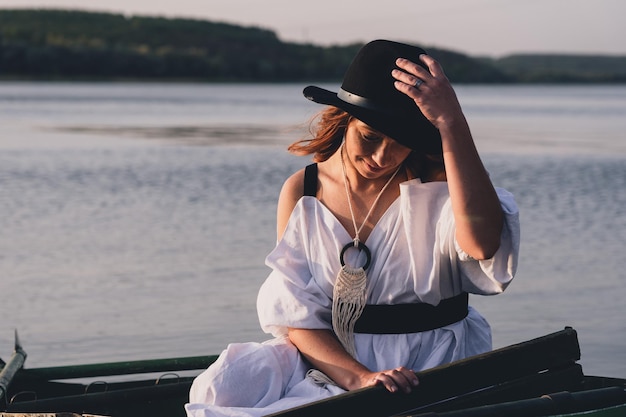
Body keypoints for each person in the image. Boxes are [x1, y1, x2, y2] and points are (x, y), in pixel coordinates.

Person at [185, 39, 520, 417]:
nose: (381, 157)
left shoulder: (440, 185)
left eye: (400, 144)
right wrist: (360, 378)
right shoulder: (303, 191)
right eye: (370, 137)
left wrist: (451, 124)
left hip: (425, 364)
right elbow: (297, 317)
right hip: (335, 363)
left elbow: (483, 245)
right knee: (220, 389)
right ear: (344, 119)